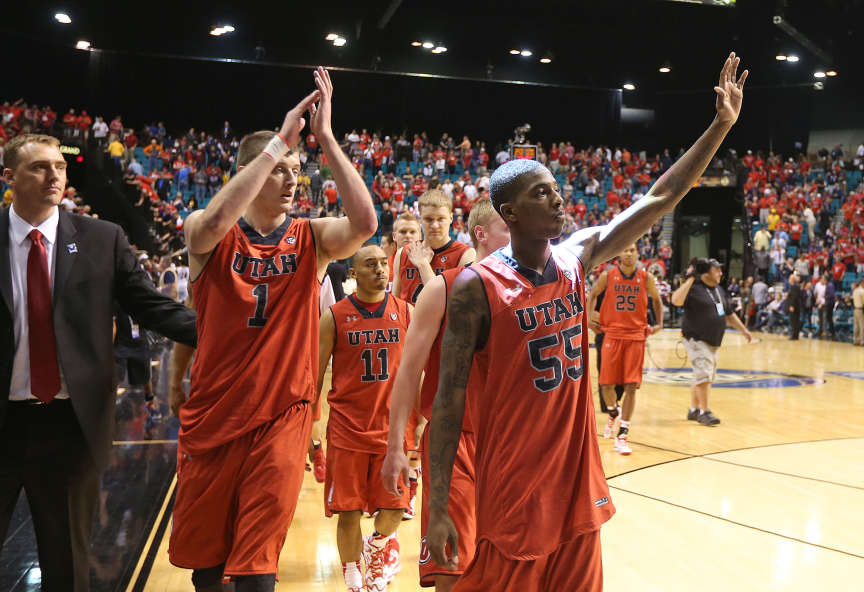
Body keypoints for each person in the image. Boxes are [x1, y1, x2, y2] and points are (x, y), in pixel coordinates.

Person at [428, 52, 749, 592]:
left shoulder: (578, 256)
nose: (557, 197)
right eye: (540, 192)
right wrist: (437, 505)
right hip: (514, 482)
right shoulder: (474, 287)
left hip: (577, 477)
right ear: (508, 213)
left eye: (556, 187)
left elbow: (661, 196)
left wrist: (720, 125)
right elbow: (447, 400)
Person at [168, 68, 377, 591]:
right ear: (250, 173)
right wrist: (280, 140)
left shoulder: (311, 237)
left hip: (283, 413)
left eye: (295, 170)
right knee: (208, 569)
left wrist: (324, 139)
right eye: (280, 170)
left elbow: (367, 225)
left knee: (258, 569)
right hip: (216, 412)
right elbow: (213, 226)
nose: (291, 180)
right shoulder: (205, 229)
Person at [0, 133, 196, 590]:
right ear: (9, 178)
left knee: (67, 561)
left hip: (71, 423)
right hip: (4, 420)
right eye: (39, 167)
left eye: (60, 167)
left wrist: (221, 335)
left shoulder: (101, 238)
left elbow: (151, 306)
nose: (54, 175)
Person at [381, 198, 510, 591]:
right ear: (481, 235)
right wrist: (395, 446)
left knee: (505, 563)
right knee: (451, 568)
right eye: (510, 226)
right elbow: (407, 373)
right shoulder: (442, 289)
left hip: (508, 440)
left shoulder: (534, 292)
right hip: (454, 440)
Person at [317, 244, 412, 592]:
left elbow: (422, 369)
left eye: (384, 264)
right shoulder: (334, 316)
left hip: (392, 430)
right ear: (354, 274)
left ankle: (375, 547)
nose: (380, 270)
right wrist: (310, 428)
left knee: (395, 509)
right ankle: (353, 574)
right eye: (370, 265)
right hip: (347, 429)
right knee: (348, 511)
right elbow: (315, 376)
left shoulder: (406, 312)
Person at [587, 244, 662, 455]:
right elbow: (592, 294)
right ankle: (613, 412)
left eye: (633, 250)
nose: (629, 253)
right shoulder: (608, 276)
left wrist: (659, 323)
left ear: (638, 254)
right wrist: (589, 317)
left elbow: (657, 300)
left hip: (636, 336)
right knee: (606, 384)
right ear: (618, 253)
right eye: (625, 250)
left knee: (631, 385)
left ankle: (623, 433)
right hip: (612, 334)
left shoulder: (645, 277)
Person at [671, 258, 752, 426]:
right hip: (696, 339)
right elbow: (676, 301)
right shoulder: (693, 288)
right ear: (706, 273)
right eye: (717, 270)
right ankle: (704, 412)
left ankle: (694, 409)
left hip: (713, 341)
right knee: (704, 375)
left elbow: (729, 314)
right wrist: (692, 278)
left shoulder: (719, 290)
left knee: (703, 376)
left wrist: (744, 330)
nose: (721, 273)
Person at [392, 190, 475, 305]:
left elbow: (454, 305)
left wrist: (423, 264)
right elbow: (394, 304)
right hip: (407, 322)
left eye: (441, 219)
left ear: (451, 218)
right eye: (429, 219)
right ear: (420, 218)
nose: (435, 225)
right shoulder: (403, 253)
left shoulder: (466, 254)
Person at [787, 273, 802, 340]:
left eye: (790, 278)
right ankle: (795, 335)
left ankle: (794, 335)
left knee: (794, 321)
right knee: (794, 320)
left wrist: (792, 305)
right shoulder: (795, 286)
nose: (788, 280)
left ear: (792, 279)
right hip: (796, 306)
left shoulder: (794, 286)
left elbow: (794, 297)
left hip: (794, 306)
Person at [853, 280, 864, 346]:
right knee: (862, 326)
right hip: (861, 309)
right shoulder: (862, 291)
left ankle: (855, 340)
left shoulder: (855, 290)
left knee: (856, 326)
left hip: (855, 309)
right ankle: (862, 341)